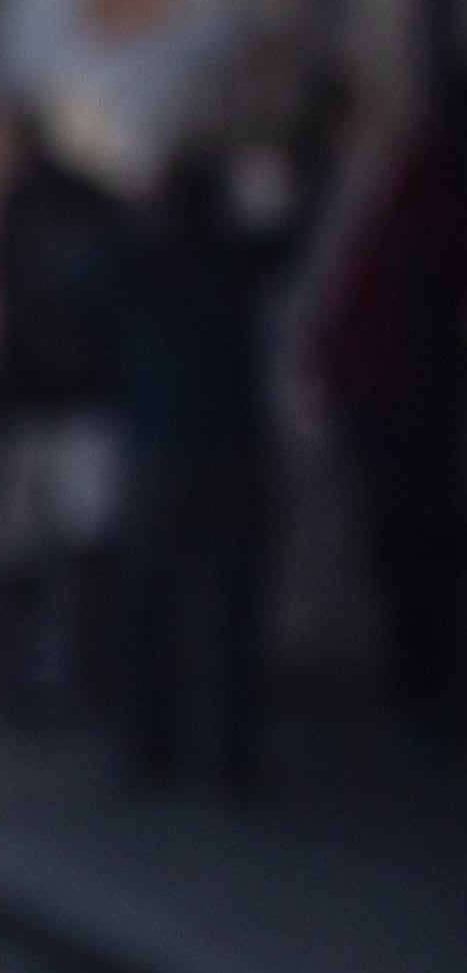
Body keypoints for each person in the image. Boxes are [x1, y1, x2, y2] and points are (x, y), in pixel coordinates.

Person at [111, 130, 302, 793]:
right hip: (228, 454)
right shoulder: (234, 258)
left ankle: (154, 744)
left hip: (166, 456)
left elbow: (80, 273)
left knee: (157, 611)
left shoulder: (142, 261)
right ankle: (231, 750)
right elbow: (293, 224)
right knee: (230, 614)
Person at [302, 87, 465, 746]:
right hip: (388, 396)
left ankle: (421, 689)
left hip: (391, 394)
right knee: (413, 547)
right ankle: (419, 693)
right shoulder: (424, 187)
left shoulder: (414, 181)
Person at [0, 109, 132, 720]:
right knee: (24, 553)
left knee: (87, 550)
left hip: (79, 405)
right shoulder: (19, 208)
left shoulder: (97, 210)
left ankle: (89, 679)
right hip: (31, 407)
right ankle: (19, 680)